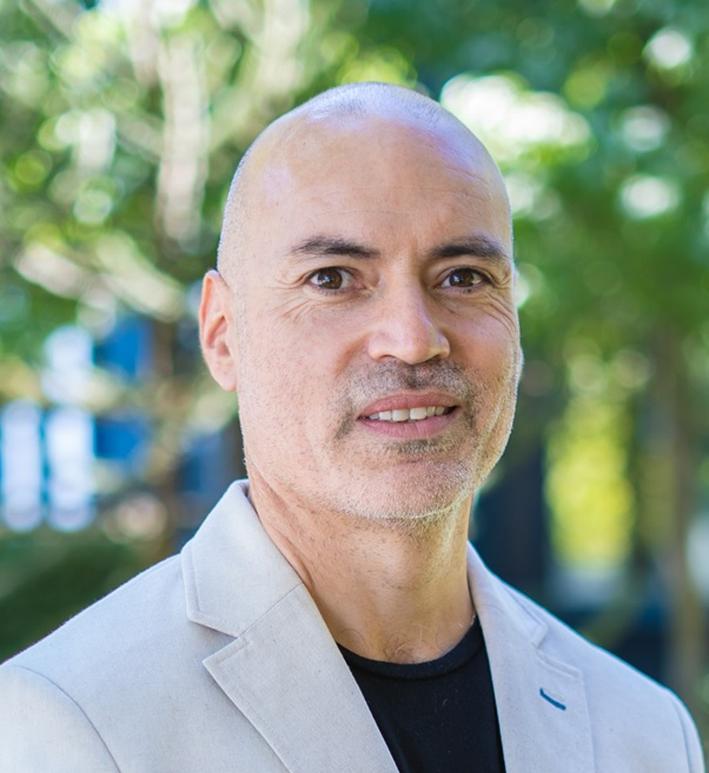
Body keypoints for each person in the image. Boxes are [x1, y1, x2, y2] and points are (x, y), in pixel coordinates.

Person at [0, 82, 703, 773]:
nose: (412, 339)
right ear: (221, 334)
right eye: (333, 278)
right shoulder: (71, 720)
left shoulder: (643, 732)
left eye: (462, 277)